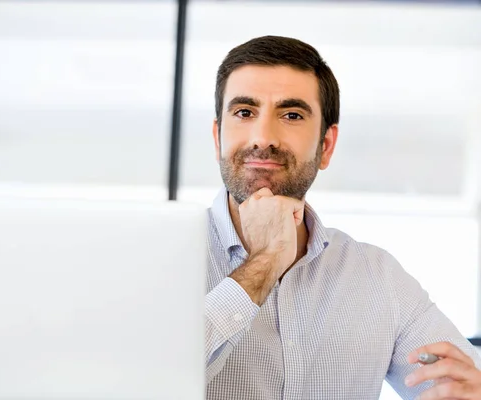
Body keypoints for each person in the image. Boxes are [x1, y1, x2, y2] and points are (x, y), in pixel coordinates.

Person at [205, 35, 481, 399]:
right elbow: (140, 377)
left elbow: (458, 383)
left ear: (326, 146)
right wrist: (265, 261)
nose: (263, 137)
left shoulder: (378, 278)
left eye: (291, 115)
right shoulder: (160, 258)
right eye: (244, 113)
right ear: (217, 137)